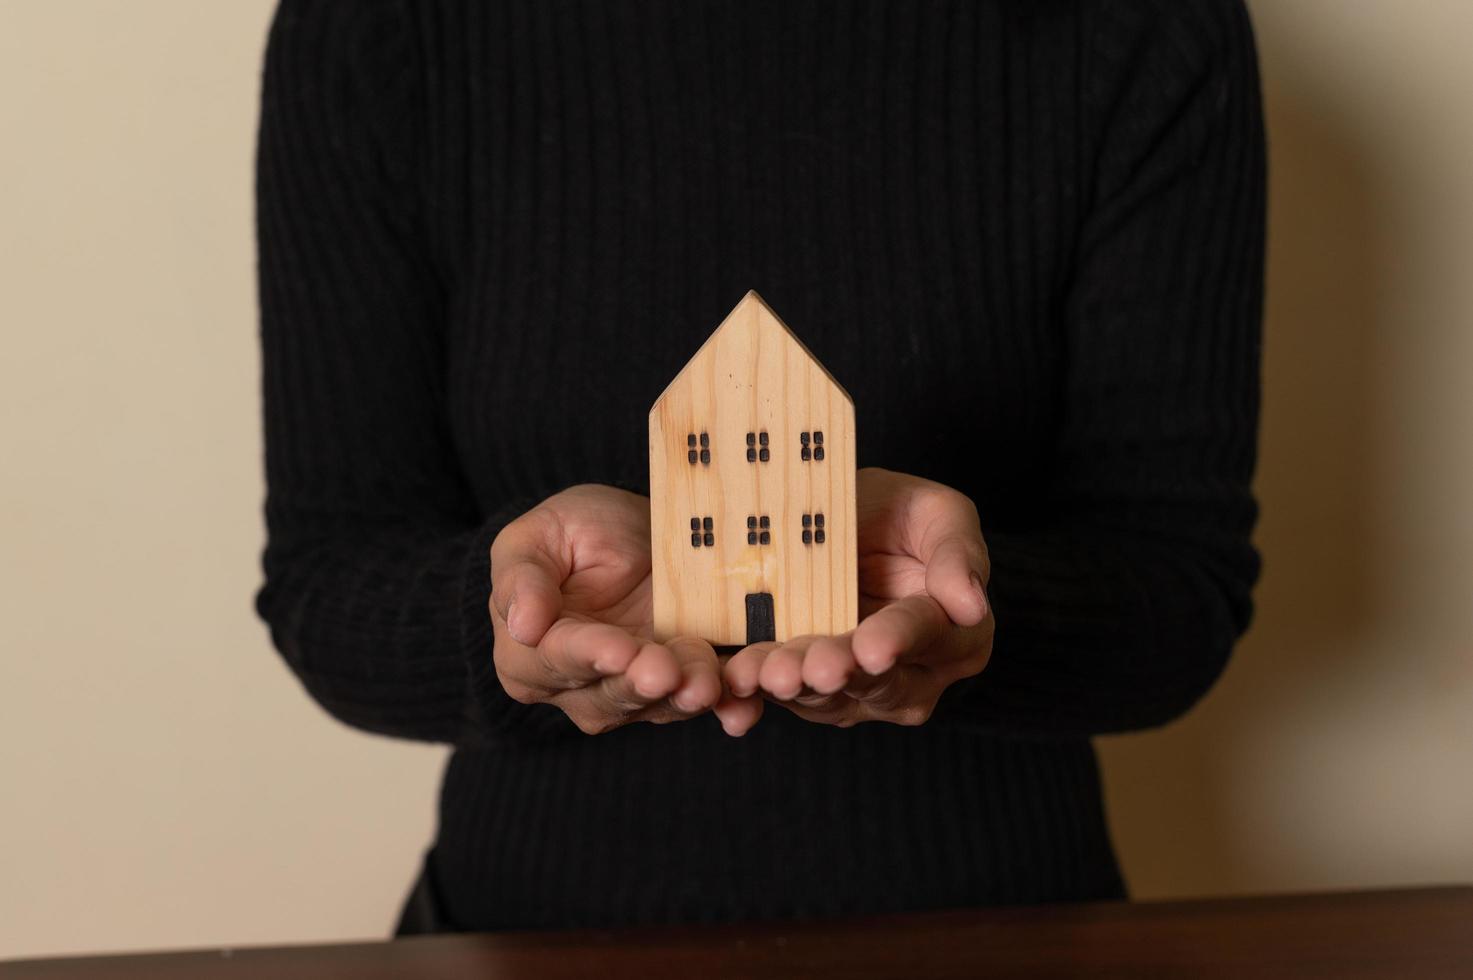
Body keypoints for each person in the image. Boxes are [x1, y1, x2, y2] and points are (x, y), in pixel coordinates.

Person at [255, 0, 1265, 933]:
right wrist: (513, 625)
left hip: (1006, 929)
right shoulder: (379, 28)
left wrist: (970, 612)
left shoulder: (1135, 26)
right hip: (530, 931)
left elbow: (1182, 586)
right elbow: (326, 579)